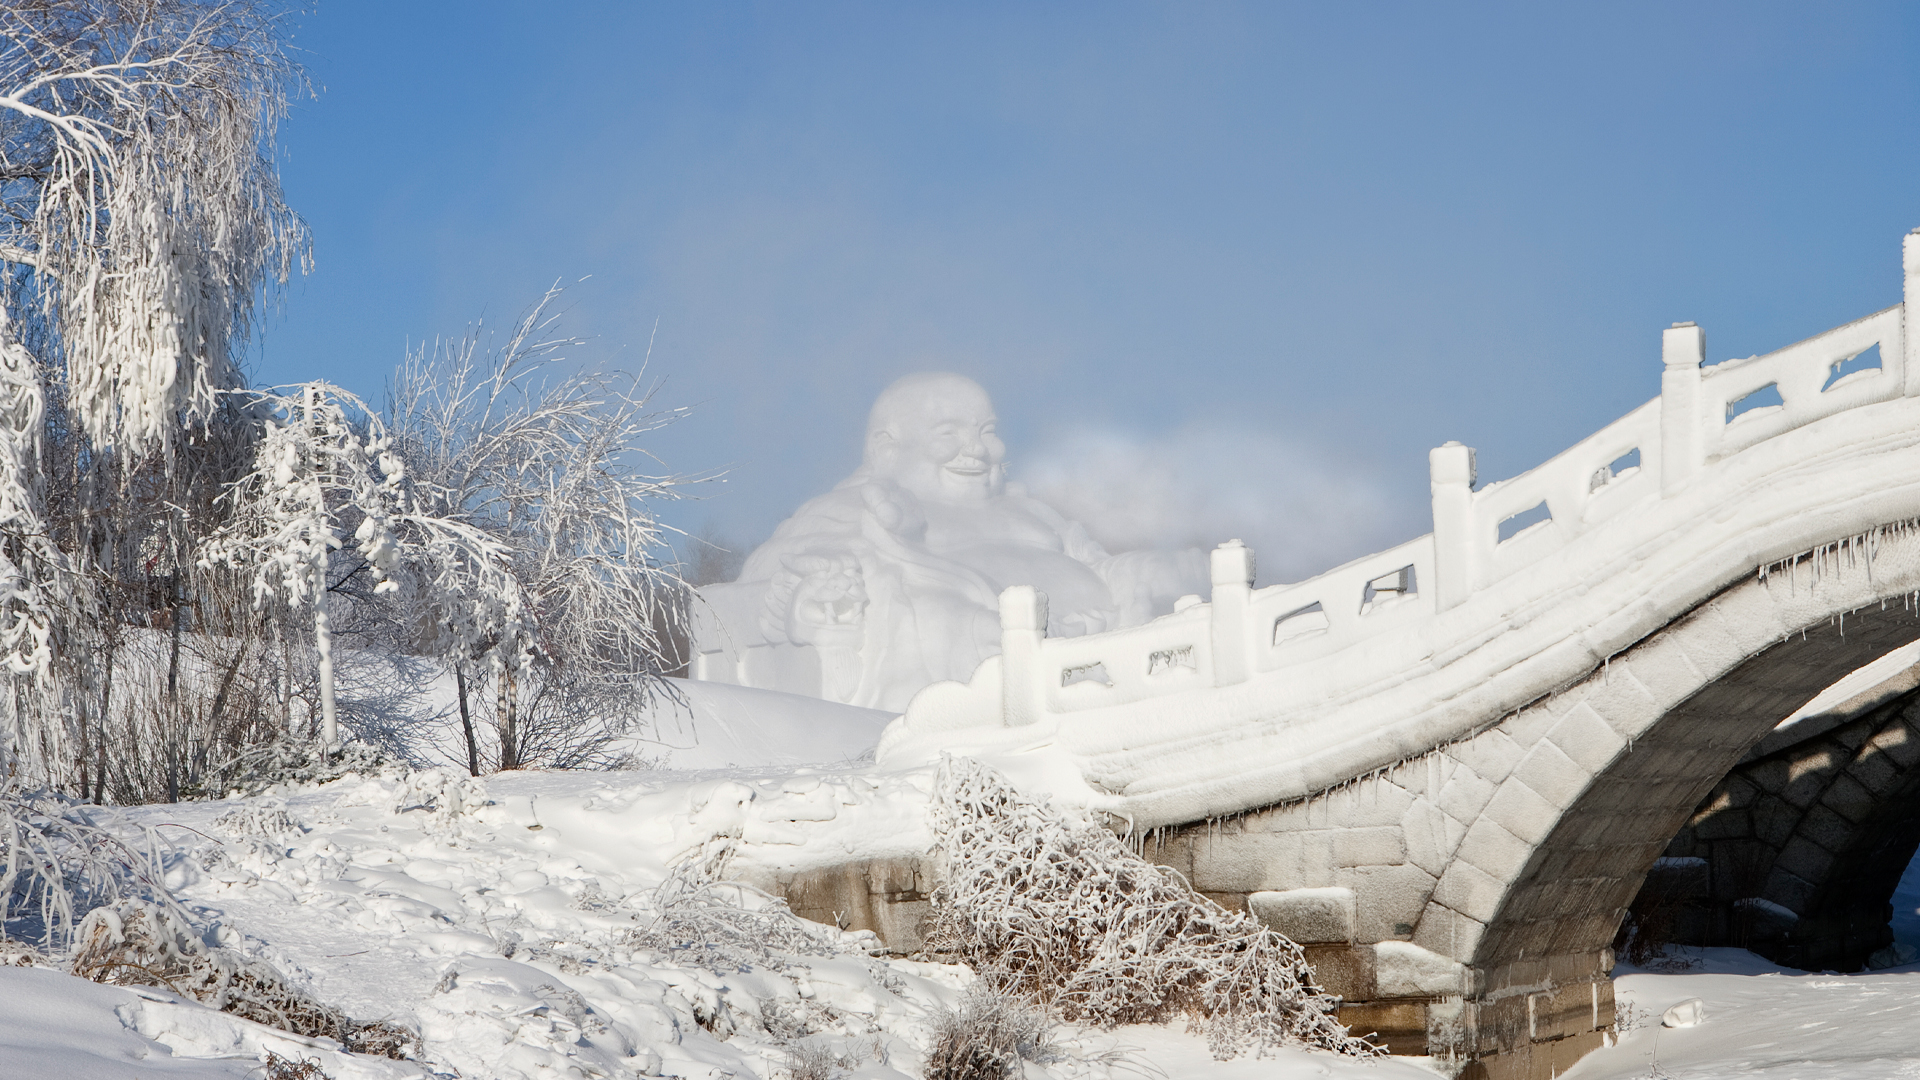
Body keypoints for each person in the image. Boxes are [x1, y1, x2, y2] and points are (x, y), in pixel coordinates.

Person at [693, 372, 1202, 711]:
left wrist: (1148, 571)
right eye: (948, 433)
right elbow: (774, 570)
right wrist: (829, 570)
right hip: (985, 682)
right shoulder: (864, 507)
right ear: (886, 447)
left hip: (1099, 656)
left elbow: (1096, 564)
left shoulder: (1029, 511)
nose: (977, 449)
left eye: (986, 430)